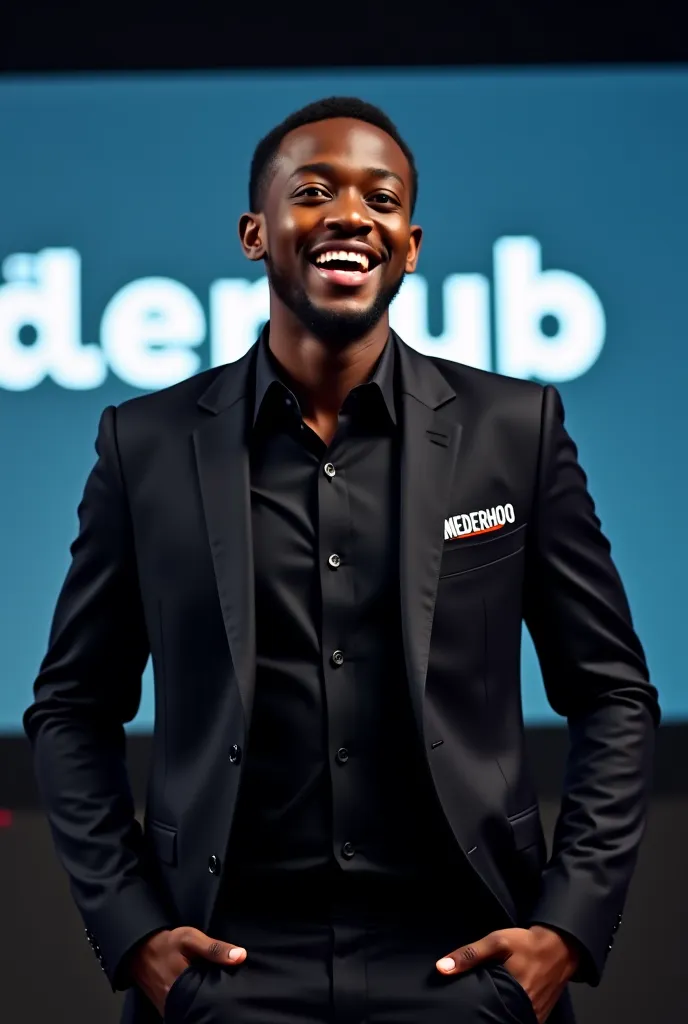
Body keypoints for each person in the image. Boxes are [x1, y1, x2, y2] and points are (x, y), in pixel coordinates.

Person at [23, 96, 660, 1024]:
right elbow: (71, 709)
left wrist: (564, 930)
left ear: (409, 244)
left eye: (383, 199)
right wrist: (134, 937)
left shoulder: (516, 432)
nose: (352, 214)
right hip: (225, 974)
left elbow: (613, 693)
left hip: (465, 965)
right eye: (313, 190)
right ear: (255, 234)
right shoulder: (144, 444)